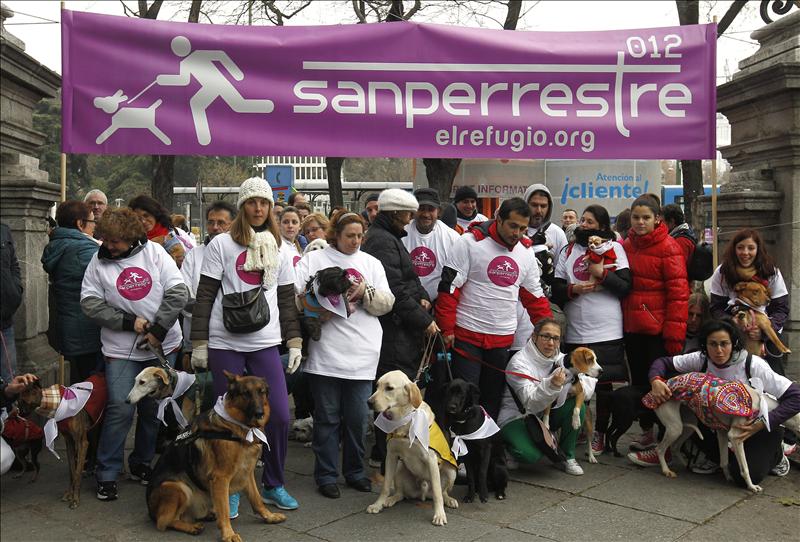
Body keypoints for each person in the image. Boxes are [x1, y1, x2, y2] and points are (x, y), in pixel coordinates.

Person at [190, 177, 302, 514]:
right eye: (251, 202)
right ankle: (234, 487)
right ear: (242, 207)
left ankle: (274, 483)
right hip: (226, 341)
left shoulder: (281, 247)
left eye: (263, 203)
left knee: (280, 416)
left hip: (265, 341)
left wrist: (294, 341)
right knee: (232, 420)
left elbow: (286, 299)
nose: (257, 208)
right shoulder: (221, 245)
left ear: (270, 208)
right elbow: (205, 293)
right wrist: (199, 342)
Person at [80, 208, 188, 501]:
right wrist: (129, 322)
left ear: (131, 238)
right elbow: (90, 303)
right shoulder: (98, 261)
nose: (109, 245)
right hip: (120, 349)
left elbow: (178, 293)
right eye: (106, 239)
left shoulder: (154, 253)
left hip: (162, 345)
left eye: (116, 241)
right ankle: (107, 471)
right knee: (120, 407)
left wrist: (158, 330)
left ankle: (141, 463)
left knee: (153, 410)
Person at [294, 210, 394, 499]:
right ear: (335, 234)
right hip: (327, 353)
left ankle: (354, 472)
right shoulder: (314, 259)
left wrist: (365, 292)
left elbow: (387, 302)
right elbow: (297, 297)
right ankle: (325, 475)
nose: (356, 241)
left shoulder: (371, 263)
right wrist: (317, 310)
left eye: (360, 235)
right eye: (350, 235)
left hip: (363, 353)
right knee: (327, 418)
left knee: (357, 418)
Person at [436, 197, 552, 421]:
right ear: (498, 219)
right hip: (466, 336)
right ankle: (460, 452)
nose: (517, 233)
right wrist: (446, 329)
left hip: (502, 339)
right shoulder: (469, 242)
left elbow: (534, 297)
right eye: (513, 226)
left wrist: (549, 331)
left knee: (492, 399)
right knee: (464, 399)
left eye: (522, 228)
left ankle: (486, 450)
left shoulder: (525, 251)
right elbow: (449, 288)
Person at [642, 319, 800, 483]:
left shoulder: (753, 365)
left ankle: (777, 454)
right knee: (728, 463)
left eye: (724, 344)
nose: (718, 350)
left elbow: (797, 397)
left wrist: (764, 422)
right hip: (722, 425)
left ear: (734, 343)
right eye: (713, 344)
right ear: (705, 345)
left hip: (763, 426)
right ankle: (717, 457)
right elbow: (663, 362)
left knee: (746, 476)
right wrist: (655, 380)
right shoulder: (701, 359)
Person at [362, 189, 438, 471]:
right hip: (395, 333)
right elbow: (395, 290)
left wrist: (422, 296)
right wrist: (424, 320)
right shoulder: (383, 241)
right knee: (391, 398)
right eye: (407, 214)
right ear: (395, 213)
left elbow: (408, 280)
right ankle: (386, 457)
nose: (410, 220)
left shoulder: (390, 238)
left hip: (402, 329)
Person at [552, 204, 632, 457]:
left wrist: (601, 275)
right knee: (577, 383)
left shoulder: (614, 248)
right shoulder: (568, 250)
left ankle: (600, 432)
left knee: (604, 385)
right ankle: (578, 428)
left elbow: (626, 286)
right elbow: (556, 288)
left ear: (602, 227)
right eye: (582, 221)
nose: (584, 226)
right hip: (577, 329)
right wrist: (572, 290)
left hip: (606, 327)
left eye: (589, 222)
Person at [622, 194, 689, 463]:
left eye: (646, 218)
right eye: (636, 217)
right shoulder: (626, 245)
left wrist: (674, 336)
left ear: (657, 219)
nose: (640, 222)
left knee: (660, 388)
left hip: (658, 331)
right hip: (633, 327)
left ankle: (667, 442)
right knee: (638, 384)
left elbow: (679, 295)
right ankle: (647, 433)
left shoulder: (669, 247)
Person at [498, 319, 585, 475]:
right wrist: (553, 385)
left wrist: (573, 387)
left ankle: (567, 457)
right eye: (545, 336)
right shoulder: (519, 363)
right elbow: (531, 403)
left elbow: (586, 384)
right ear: (534, 336)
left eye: (555, 338)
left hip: (542, 415)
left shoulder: (559, 357)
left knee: (577, 406)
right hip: (515, 415)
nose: (551, 343)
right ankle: (506, 448)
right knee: (530, 455)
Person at [709, 229, 789, 374]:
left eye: (751, 248)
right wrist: (732, 322)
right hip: (732, 333)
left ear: (758, 250)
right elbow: (716, 308)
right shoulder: (722, 273)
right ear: (734, 249)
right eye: (740, 247)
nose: (745, 253)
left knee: (774, 376)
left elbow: (781, 309)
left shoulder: (771, 272)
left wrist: (762, 333)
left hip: (767, 332)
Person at [41, 201, 102, 384]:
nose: (94, 227)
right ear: (79, 223)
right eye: (92, 222)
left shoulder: (59, 244)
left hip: (69, 325)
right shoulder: (83, 249)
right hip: (86, 329)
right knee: (89, 386)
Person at [180, 201, 236, 365]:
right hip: (198, 339)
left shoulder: (241, 254)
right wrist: (207, 316)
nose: (215, 227)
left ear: (232, 224)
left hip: (231, 338)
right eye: (211, 222)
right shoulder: (193, 255)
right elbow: (185, 295)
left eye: (221, 223)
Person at [401, 188, 461, 302]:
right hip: (406, 302)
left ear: (438, 211)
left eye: (431, 209)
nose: (426, 214)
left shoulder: (453, 238)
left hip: (439, 304)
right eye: (421, 209)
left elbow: (457, 278)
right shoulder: (400, 233)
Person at [128, 195, 191, 267]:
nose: (143, 221)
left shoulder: (170, 235)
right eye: (138, 218)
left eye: (146, 215)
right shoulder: (131, 240)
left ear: (155, 213)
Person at [522, 184, 568, 262]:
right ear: (526, 204)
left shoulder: (557, 233)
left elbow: (562, 268)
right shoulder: (515, 230)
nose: (538, 211)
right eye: (534, 205)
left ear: (549, 207)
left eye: (543, 206)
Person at [0, 223, 22, 383]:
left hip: (5, 320)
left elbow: (14, 264)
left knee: (10, 381)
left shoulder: (3, 230)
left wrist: (15, 289)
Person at [663, 203, 696, 268]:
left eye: (663, 222)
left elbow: (678, 266)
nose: (661, 225)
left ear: (671, 222)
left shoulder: (681, 241)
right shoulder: (681, 234)